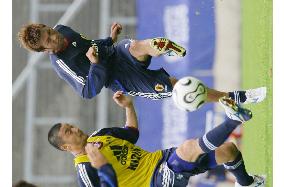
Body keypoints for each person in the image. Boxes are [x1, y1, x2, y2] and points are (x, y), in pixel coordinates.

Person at [48, 91, 265, 187]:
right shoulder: (85, 170)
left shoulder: (100, 135)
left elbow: (132, 133)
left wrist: (129, 106)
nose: (75, 129)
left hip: (159, 160)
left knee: (228, 150)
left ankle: (248, 183)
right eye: (69, 132)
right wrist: (102, 166)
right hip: (154, 182)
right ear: (66, 147)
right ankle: (233, 120)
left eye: (71, 125)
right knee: (189, 147)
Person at [18, 23, 266, 102]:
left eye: (49, 30)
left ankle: (161, 49)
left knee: (136, 46)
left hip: (117, 55)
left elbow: (91, 44)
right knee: (180, 88)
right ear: (44, 49)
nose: (54, 35)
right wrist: (94, 64)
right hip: (121, 80)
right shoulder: (61, 64)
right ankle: (238, 98)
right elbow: (87, 91)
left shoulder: (64, 30)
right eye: (48, 39)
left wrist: (109, 39)